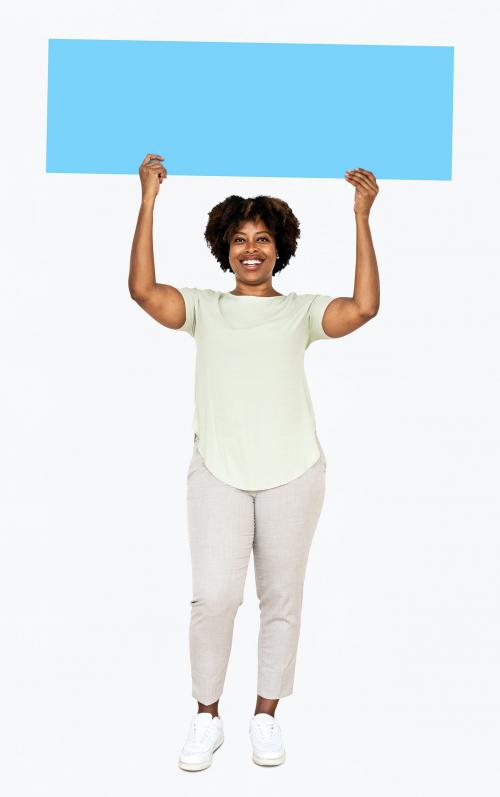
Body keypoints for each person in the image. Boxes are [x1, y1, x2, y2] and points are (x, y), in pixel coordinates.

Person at [129, 153, 380, 771]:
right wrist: (148, 201)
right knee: (214, 598)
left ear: (279, 249)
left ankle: (265, 715)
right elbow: (142, 291)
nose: (251, 249)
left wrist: (362, 216)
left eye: (262, 239)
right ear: (224, 247)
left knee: (281, 599)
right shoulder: (201, 307)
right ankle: (206, 716)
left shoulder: (299, 312)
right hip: (217, 470)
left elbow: (364, 308)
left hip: (294, 472)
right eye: (240, 240)